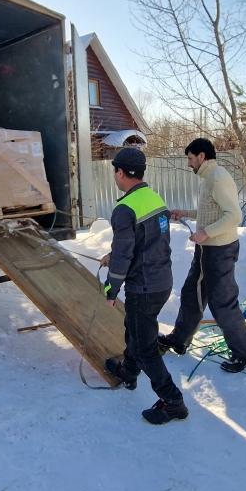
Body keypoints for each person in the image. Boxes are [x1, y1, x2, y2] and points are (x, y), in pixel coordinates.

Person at [100, 147, 188, 425]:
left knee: (145, 347)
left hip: (144, 287)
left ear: (121, 172)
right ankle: (128, 371)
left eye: (115, 170)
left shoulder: (124, 208)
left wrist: (111, 288)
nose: (115, 175)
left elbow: (126, 255)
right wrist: (114, 255)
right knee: (134, 328)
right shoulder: (152, 199)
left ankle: (173, 402)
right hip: (161, 281)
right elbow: (146, 243)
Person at [158, 138, 246, 372]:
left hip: (219, 251)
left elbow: (233, 216)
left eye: (191, 158)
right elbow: (212, 210)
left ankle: (243, 354)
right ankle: (179, 340)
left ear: (202, 156)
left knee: (223, 303)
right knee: (192, 294)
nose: (189, 164)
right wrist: (187, 213)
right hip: (207, 250)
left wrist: (205, 233)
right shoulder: (208, 178)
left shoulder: (217, 178)